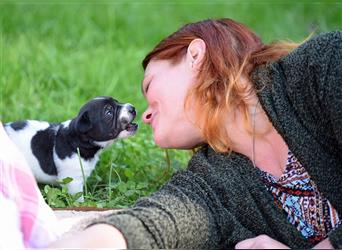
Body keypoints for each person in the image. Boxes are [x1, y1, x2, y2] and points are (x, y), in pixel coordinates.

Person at [49, 18, 341, 249]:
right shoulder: (213, 180)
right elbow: (154, 223)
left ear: (195, 55)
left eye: (149, 86)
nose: (146, 114)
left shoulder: (322, 68)